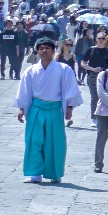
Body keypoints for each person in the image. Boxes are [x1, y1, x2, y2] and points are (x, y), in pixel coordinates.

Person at [17, 34, 82, 184]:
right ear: (37, 52)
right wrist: (22, 108)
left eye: (47, 48)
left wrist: (69, 107)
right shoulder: (31, 70)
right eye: (41, 48)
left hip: (54, 108)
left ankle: (55, 173)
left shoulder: (63, 69)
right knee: (34, 141)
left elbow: (70, 89)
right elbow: (25, 91)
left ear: (53, 50)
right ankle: (34, 173)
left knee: (55, 142)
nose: (44, 50)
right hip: (36, 109)